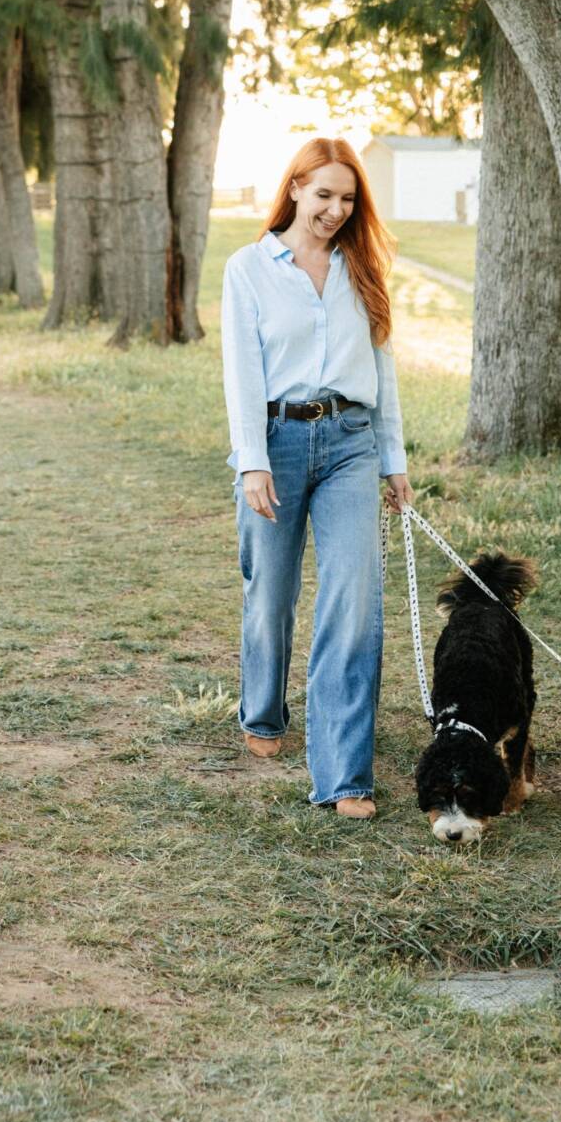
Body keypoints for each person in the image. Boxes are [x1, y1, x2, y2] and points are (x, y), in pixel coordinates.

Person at [221, 138, 414, 819]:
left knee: (354, 601)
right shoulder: (249, 268)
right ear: (296, 188)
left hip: (350, 445)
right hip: (276, 442)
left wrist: (393, 460)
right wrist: (252, 459)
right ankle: (263, 709)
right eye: (324, 194)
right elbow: (242, 370)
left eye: (348, 199)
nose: (336, 209)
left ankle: (344, 775)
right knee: (271, 592)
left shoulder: (361, 268)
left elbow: (382, 367)